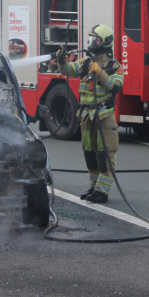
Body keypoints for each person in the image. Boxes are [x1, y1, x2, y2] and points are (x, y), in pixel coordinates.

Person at [57, 25, 124, 204]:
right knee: (90, 154)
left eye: (96, 39)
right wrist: (62, 60)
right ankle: (94, 187)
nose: (91, 42)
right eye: (91, 39)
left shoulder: (114, 66)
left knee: (105, 154)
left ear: (105, 41)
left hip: (104, 117)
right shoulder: (85, 62)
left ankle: (103, 192)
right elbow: (68, 70)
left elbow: (116, 87)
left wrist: (101, 73)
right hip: (86, 116)